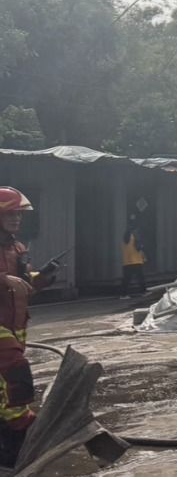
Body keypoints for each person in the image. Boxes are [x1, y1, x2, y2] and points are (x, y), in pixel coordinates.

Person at [0, 187, 58, 466]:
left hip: (16, 326)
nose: (16, 219)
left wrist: (43, 276)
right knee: (17, 376)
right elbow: (9, 281)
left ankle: (9, 449)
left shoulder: (17, 248)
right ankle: (18, 439)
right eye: (10, 213)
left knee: (5, 390)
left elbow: (26, 286)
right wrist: (3, 279)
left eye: (19, 214)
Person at [120, 216, 147, 298]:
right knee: (140, 277)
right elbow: (138, 247)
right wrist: (143, 254)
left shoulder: (124, 237)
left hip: (126, 261)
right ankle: (143, 292)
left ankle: (124, 294)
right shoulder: (134, 236)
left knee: (126, 279)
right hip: (136, 260)